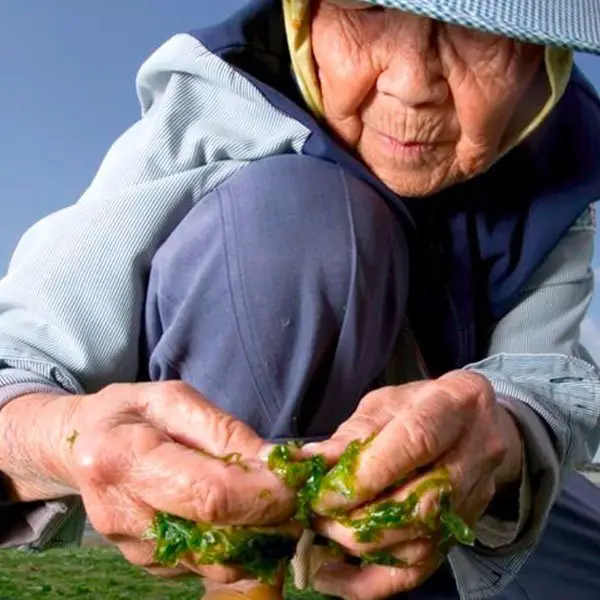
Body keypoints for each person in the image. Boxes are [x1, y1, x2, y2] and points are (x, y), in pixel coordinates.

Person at [1, 0, 600, 598]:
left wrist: (504, 436)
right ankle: (245, 577)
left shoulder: (563, 155)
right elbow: (17, 368)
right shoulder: (216, 102)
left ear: (539, 59)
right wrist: (62, 438)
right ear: (303, 15)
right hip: (244, 454)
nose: (411, 84)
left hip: (454, 498)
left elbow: (543, 370)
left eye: (478, 32)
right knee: (301, 217)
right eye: (364, 9)